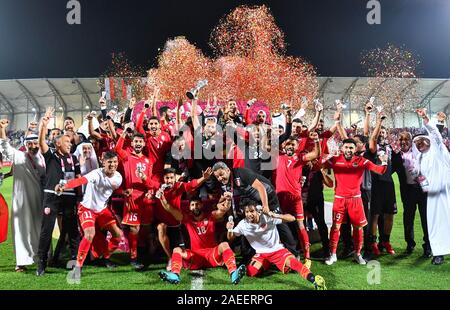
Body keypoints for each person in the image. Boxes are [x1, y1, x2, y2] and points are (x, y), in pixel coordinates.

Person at [226, 199, 326, 290]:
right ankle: (267, 264)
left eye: (252, 211)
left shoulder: (267, 218)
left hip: (277, 251)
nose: (249, 214)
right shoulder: (243, 225)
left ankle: (314, 280)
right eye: (247, 212)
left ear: (258, 211)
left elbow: (292, 218)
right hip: (261, 254)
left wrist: (276, 215)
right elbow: (230, 238)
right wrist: (229, 229)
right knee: (251, 272)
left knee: (294, 263)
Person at [212, 162, 298, 261]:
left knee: (277, 220)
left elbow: (261, 187)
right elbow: (221, 200)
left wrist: (265, 206)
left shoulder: (241, 173)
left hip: (267, 195)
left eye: (221, 174)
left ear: (227, 170)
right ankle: (248, 256)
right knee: (247, 224)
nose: (220, 178)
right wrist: (221, 205)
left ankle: (294, 253)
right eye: (217, 177)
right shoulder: (224, 183)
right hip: (253, 199)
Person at [55, 151, 123, 276]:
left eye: (115, 162)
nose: (112, 165)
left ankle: (105, 256)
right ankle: (78, 266)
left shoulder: (118, 178)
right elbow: (80, 181)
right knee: (89, 234)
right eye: (109, 162)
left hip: (102, 210)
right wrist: (65, 186)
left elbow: (111, 190)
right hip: (87, 208)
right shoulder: (96, 174)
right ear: (103, 162)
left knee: (118, 235)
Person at [324, 138, 388, 266]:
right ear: (342, 148)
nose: (348, 150)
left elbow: (380, 170)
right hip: (340, 199)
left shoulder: (361, 161)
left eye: (351, 148)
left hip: (356, 199)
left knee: (358, 228)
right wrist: (326, 155)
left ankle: (357, 254)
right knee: (336, 227)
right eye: (346, 147)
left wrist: (384, 161)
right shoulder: (335, 160)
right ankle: (333, 254)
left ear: (355, 149)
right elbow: (319, 164)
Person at [157, 194, 246, 285]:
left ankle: (234, 273)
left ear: (202, 205)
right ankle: (175, 275)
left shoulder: (211, 216)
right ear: (189, 208)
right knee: (177, 249)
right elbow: (170, 210)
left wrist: (227, 200)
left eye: (197, 204)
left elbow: (222, 211)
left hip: (211, 254)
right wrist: (162, 198)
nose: (195, 207)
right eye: (192, 205)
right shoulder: (187, 218)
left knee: (224, 245)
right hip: (194, 255)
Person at [36, 108, 81, 276]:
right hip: (51, 196)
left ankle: (76, 262)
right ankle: (41, 262)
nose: (70, 144)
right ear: (58, 144)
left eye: (70, 142)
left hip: (68, 197)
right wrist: (44, 125)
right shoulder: (51, 156)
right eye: (66, 142)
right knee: (46, 230)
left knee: (72, 231)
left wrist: (77, 195)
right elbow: (41, 143)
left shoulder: (74, 159)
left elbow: (78, 179)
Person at [0, 119, 46, 272]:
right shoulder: (19, 156)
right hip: (20, 201)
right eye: (30, 144)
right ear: (26, 145)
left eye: (35, 144)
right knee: (20, 229)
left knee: (40, 229)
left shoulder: (44, 158)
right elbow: (5, 148)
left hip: (39, 200)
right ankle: (21, 262)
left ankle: (42, 257)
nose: (33, 146)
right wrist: (2, 129)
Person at [275, 134, 321, 267]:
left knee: (300, 226)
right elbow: (268, 146)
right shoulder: (278, 156)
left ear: (296, 147)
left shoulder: (300, 158)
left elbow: (316, 154)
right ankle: (284, 254)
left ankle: (307, 257)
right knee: (281, 226)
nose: (290, 146)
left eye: (293, 144)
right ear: (284, 145)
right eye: (287, 144)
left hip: (295, 198)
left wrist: (317, 140)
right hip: (280, 197)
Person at [413, 109, 450, 265]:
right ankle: (439, 253)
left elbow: (435, 134)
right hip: (433, 196)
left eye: (421, 142)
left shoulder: (438, 150)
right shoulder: (420, 158)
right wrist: (424, 185)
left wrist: (425, 118)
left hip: (447, 192)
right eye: (417, 143)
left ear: (428, 141)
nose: (419, 145)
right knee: (435, 224)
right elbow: (421, 178)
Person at [392, 131, 431, 256]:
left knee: (425, 218)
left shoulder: (419, 153)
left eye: (406, 140)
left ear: (411, 141)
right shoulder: (396, 156)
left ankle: (428, 246)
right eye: (401, 140)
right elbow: (388, 170)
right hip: (407, 190)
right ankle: (410, 244)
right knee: (408, 218)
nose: (403, 142)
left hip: (422, 190)